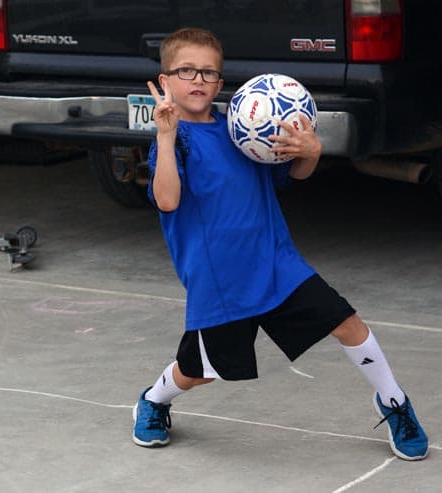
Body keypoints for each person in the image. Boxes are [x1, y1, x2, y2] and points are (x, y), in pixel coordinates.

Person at [132, 27, 428, 461]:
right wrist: (163, 136)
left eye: (208, 72)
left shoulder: (244, 128)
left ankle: (395, 402)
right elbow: (167, 199)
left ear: (220, 82)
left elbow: (294, 175)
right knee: (200, 372)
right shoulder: (175, 141)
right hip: (221, 282)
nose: (197, 79)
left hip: (276, 263)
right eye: (186, 70)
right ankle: (155, 400)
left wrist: (310, 150)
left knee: (348, 323)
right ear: (165, 78)